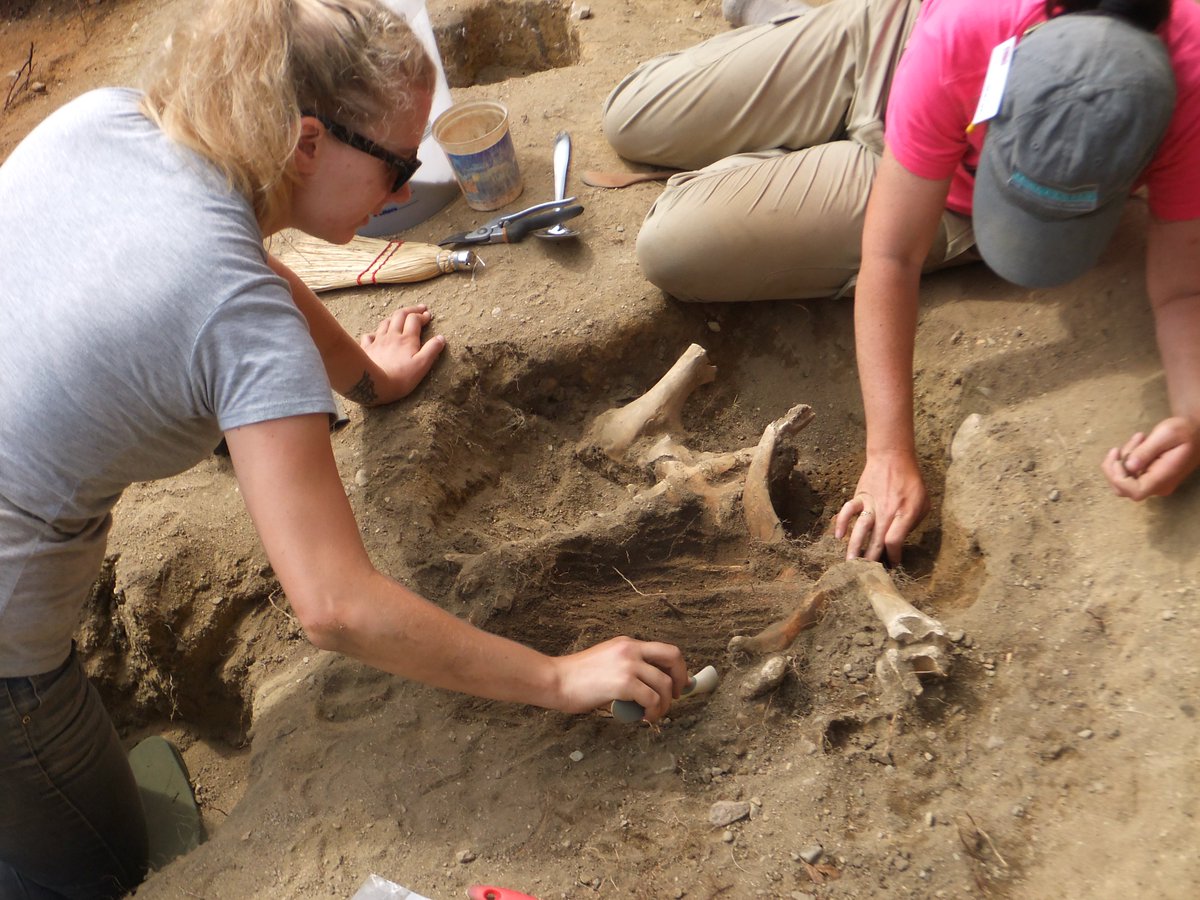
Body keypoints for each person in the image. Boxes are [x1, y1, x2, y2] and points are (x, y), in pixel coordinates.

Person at [0, 1, 687, 896]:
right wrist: (558, 678)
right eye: (398, 164)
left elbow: (247, 265)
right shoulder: (234, 312)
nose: (403, 193)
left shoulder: (113, 120)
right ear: (306, 144)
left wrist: (370, 380)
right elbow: (334, 606)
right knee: (97, 867)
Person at [602, 0, 1200, 564]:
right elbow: (891, 256)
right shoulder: (966, 35)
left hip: (944, 187)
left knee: (671, 245)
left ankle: (800, 161)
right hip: (904, 42)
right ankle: (793, 47)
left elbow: (1185, 289)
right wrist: (888, 454)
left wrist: (1193, 415)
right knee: (631, 117)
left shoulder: (1192, 82)